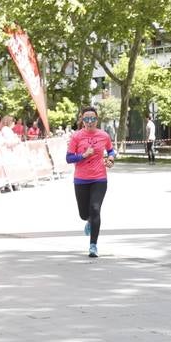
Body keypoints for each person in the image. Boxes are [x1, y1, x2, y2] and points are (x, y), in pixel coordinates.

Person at [65, 106, 115, 257]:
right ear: (82, 120)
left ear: (96, 119)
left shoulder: (104, 135)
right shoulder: (76, 136)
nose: (89, 122)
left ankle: (93, 245)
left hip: (99, 178)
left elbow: (111, 150)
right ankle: (89, 221)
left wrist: (111, 159)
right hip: (81, 179)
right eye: (86, 119)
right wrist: (83, 155)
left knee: (95, 209)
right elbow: (68, 158)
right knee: (84, 214)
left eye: (92, 118)